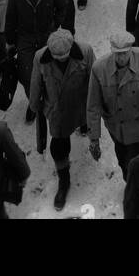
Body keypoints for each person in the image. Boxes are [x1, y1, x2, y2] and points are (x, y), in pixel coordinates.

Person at [87, 34, 139, 177]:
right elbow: (93, 105)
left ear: (131, 49)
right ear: (112, 51)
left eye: (124, 53)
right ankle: (132, 186)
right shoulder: (99, 69)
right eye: (117, 54)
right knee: (126, 164)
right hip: (118, 128)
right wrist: (94, 138)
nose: (121, 58)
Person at [29, 27, 96, 211]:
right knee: (58, 147)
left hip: (80, 105)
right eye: (57, 56)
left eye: (64, 55)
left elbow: (94, 80)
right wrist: (34, 106)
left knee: (83, 122)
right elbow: (36, 84)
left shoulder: (86, 52)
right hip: (57, 111)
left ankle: (82, 126)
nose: (61, 58)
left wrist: (96, 107)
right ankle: (64, 181)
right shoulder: (40, 57)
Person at [4, 0, 73, 117]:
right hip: (25, 38)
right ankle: (33, 103)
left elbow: (63, 5)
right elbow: (10, 18)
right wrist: (10, 42)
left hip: (47, 35)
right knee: (27, 74)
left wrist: (55, 25)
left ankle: (52, 99)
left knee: (51, 70)